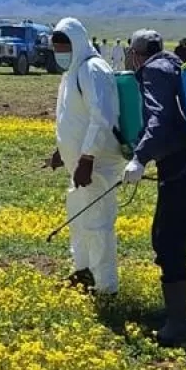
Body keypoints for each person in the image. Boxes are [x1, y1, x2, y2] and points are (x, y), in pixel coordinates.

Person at [121, 29, 186, 348]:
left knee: (167, 240)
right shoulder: (173, 65)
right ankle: (178, 314)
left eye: (132, 53)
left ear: (138, 54)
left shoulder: (154, 71)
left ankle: (178, 322)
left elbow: (161, 119)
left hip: (181, 166)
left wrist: (140, 158)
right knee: (171, 238)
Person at [47, 17, 125, 295]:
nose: (59, 53)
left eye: (63, 46)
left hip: (97, 163)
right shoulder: (72, 73)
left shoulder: (93, 69)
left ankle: (106, 288)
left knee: (97, 224)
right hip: (78, 164)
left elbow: (102, 117)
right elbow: (73, 117)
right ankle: (83, 272)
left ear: (77, 42)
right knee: (79, 219)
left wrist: (87, 158)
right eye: (56, 48)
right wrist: (62, 151)